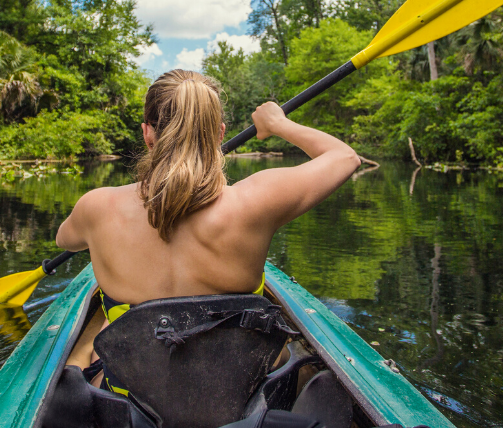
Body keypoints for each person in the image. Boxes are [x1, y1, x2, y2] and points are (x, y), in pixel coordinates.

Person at [55, 69, 360, 385]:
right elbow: (345, 157)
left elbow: (65, 240)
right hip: (235, 400)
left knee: (105, 335)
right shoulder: (256, 202)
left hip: (133, 402)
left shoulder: (97, 207)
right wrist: (278, 124)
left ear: (147, 134)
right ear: (219, 134)